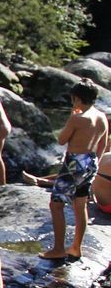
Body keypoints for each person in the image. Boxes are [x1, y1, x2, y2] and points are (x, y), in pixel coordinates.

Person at [39, 80, 110, 262]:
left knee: (56, 205)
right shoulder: (102, 117)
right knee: (80, 205)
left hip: (74, 163)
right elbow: (102, 144)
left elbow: (62, 140)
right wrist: (95, 162)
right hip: (91, 161)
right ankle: (76, 248)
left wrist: (72, 116)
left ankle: (58, 249)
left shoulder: (78, 118)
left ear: (77, 99)